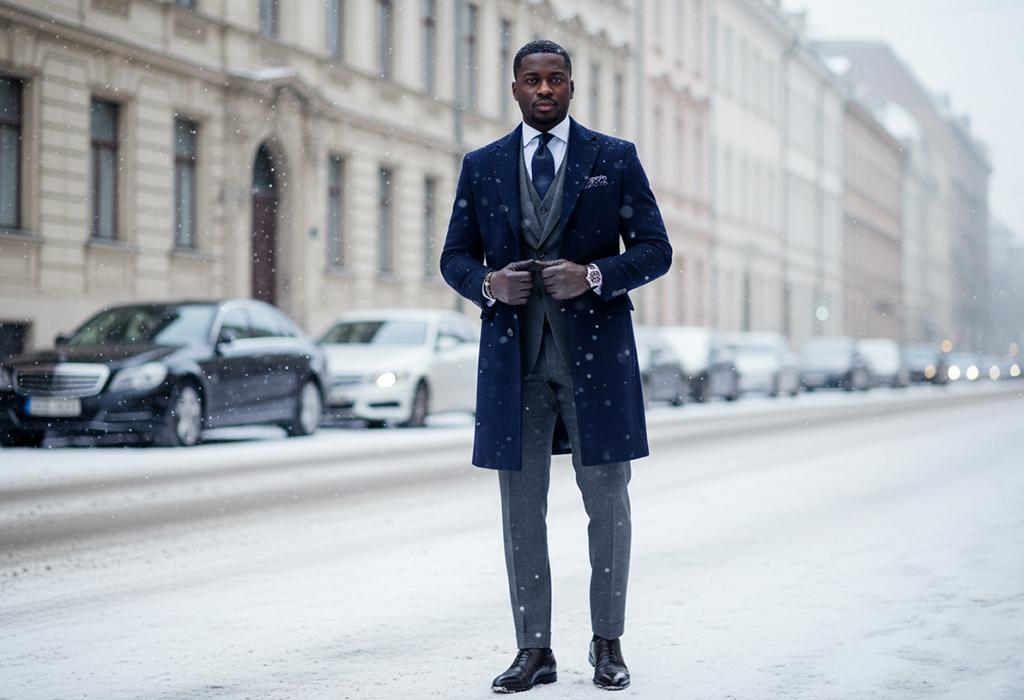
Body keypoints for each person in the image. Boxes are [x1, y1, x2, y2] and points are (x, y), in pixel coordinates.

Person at [440, 39, 671, 693]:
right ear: (514, 88)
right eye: (532, 80)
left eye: (556, 79)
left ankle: (608, 643)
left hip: (595, 362)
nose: (544, 90)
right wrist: (487, 284)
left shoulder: (613, 159)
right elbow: (453, 257)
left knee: (609, 506)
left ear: (572, 86)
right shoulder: (482, 165)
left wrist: (595, 273)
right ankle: (533, 651)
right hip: (515, 364)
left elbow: (655, 250)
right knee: (521, 512)